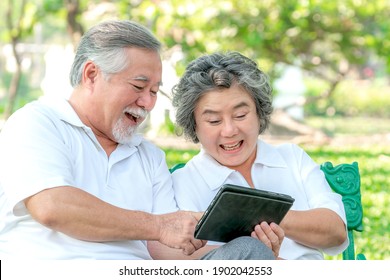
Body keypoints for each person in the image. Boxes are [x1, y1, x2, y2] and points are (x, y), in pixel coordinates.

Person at [0, 20, 279, 260]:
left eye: (155, 91)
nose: (147, 102)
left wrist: (250, 251)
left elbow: (163, 248)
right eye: (138, 86)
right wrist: (157, 225)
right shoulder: (38, 123)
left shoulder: (148, 156)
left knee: (247, 252)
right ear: (92, 75)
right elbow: (53, 207)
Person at [159, 51, 348, 260]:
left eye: (240, 115)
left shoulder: (292, 158)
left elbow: (336, 232)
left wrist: (256, 215)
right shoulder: (184, 182)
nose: (229, 130)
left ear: (259, 112)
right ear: (194, 126)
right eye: (214, 121)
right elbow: (184, 258)